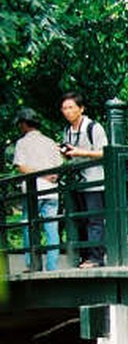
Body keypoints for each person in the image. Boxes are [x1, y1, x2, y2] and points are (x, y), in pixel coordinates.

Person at [60, 91, 108, 268]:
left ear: (81, 109)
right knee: (80, 219)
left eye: (71, 107)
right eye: (64, 108)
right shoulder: (68, 130)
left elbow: (105, 152)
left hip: (94, 181)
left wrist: (81, 152)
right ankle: (85, 256)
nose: (67, 111)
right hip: (77, 182)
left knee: (94, 220)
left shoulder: (93, 127)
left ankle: (96, 258)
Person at [11, 108, 62, 272]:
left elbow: (21, 167)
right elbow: (58, 166)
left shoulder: (22, 143)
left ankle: (32, 264)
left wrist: (40, 175)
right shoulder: (50, 142)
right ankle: (52, 266)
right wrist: (49, 175)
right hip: (52, 191)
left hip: (33, 191)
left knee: (29, 227)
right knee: (51, 227)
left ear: (24, 124)